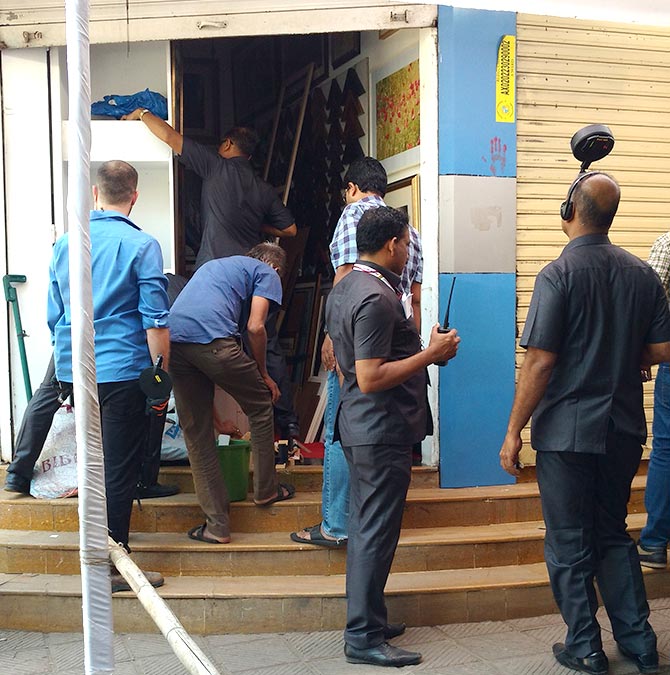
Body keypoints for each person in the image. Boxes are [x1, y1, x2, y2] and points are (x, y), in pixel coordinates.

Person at [499, 172, 670, 675]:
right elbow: (662, 349)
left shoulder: (558, 275)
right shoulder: (643, 275)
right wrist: (626, 353)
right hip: (622, 429)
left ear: (568, 211)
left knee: (569, 541)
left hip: (567, 433)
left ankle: (585, 646)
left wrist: (513, 432)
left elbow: (540, 363)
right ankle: (640, 643)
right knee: (612, 533)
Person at [327, 207, 459, 668]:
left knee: (370, 529)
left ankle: (371, 620)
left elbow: (350, 365)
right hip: (378, 429)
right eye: (406, 243)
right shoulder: (377, 297)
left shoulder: (345, 288)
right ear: (390, 246)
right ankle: (362, 635)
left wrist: (425, 353)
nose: (409, 251)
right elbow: (369, 375)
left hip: (363, 426)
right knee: (373, 533)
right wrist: (430, 353)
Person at [124, 110, 301, 441]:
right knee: (266, 343)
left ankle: (210, 424)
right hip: (251, 277)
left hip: (214, 279)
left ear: (228, 144)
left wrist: (142, 114)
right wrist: (256, 224)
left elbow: (169, 136)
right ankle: (288, 424)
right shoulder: (263, 190)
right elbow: (289, 228)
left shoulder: (215, 166)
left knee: (202, 342)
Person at [48, 160, 170, 591]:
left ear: (95, 194)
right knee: (118, 469)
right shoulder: (143, 245)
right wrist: (160, 384)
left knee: (92, 464)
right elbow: (155, 320)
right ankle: (110, 566)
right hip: (122, 370)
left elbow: (55, 315)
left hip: (76, 369)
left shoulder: (66, 244)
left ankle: (95, 558)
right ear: (134, 197)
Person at [291, 156, 423, 549]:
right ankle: (364, 521)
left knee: (339, 428)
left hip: (361, 340)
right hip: (394, 341)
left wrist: (333, 336)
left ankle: (336, 523)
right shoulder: (407, 230)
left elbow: (347, 279)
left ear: (351, 188)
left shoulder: (353, 217)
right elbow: (413, 297)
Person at [168, 243, 296, 545]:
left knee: (197, 434)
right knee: (262, 405)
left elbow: (200, 362)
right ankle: (266, 490)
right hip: (214, 344)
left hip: (174, 345)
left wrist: (219, 422)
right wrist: (263, 374)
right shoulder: (268, 271)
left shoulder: (216, 267)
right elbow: (255, 327)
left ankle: (217, 526)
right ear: (274, 268)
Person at [638, 231, 670, 570]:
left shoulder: (668, 245)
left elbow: (646, 303)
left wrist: (643, 354)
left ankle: (654, 543)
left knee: (666, 449)